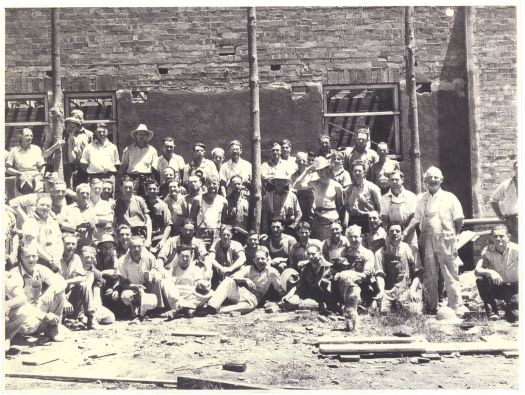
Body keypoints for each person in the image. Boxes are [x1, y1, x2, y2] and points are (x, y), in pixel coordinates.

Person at [405, 166, 465, 316]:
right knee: (429, 274)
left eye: (436, 177)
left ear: (441, 179)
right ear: (425, 180)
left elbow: (459, 219)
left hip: (445, 239)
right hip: (427, 239)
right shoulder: (421, 198)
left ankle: (456, 305)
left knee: (450, 272)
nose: (432, 180)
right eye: (429, 177)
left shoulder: (450, 197)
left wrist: (454, 236)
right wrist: (405, 232)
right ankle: (431, 307)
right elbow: (416, 219)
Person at [5, 244, 66, 342]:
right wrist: (43, 315)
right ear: (21, 257)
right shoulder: (14, 274)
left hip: (39, 305)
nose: (31, 259)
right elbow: (22, 303)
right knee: (29, 326)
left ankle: (52, 328)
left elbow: (61, 281)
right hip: (24, 311)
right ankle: (46, 325)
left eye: (34, 256)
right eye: (27, 256)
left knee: (59, 292)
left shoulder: (40, 269)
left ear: (37, 256)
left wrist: (51, 290)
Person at [205, 247, 285, 314]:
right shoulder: (248, 269)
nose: (260, 261)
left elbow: (279, 289)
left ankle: (219, 310)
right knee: (228, 281)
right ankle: (212, 306)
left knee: (247, 307)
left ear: (267, 260)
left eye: (262, 259)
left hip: (253, 299)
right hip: (241, 292)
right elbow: (233, 277)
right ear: (254, 260)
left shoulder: (272, 273)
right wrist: (245, 280)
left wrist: (284, 300)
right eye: (258, 259)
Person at [374, 223, 422, 314]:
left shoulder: (410, 249)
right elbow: (379, 274)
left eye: (397, 231)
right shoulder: (380, 252)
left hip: (407, 289)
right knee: (383, 312)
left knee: (413, 312)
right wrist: (381, 291)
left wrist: (412, 290)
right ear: (387, 234)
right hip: (389, 291)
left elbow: (418, 272)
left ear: (401, 233)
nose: (394, 233)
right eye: (391, 231)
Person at [293, 156, 345, 240]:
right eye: (318, 171)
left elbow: (341, 205)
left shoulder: (336, 186)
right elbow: (296, 186)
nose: (321, 173)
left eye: (323, 170)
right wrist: (307, 171)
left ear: (328, 169)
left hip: (332, 221)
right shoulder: (314, 184)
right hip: (318, 220)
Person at [474, 225, 518, 322]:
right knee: (481, 280)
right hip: (498, 286)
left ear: (508, 237)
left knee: (515, 317)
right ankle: (493, 312)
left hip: (515, 288)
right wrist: (491, 272)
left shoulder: (518, 250)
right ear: (492, 238)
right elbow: (477, 270)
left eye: (501, 236)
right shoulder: (488, 251)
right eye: (495, 236)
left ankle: (510, 307)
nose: (498, 239)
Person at [114, 236, 165, 318]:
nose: (137, 249)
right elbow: (123, 283)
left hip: (148, 289)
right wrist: (135, 287)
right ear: (129, 247)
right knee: (126, 296)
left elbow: (159, 273)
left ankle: (157, 309)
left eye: (139, 246)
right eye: (134, 247)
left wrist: (151, 276)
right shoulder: (122, 261)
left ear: (143, 247)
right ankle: (134, 312)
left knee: (157, 277)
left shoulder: (150, 257)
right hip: (132, 289)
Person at [160, 246, 214, 318]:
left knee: (209, 293)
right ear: (178, 256)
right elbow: (168, 283)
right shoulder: (173, 269)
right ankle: (187, 308)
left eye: (187, 256)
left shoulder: (196, 269)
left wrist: (201, 284)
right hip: (177, 295)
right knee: (165, 283)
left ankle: (181, 309)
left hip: (191, 294)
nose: (185, 259)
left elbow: (200, 284)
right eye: (182, 256)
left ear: (191, 257)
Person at [6, 128, 62, 195]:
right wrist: (20, 173)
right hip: (21, 180)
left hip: (36, 180)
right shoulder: (14, 150)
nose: (29, 138)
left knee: (38, 199)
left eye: (31, 135)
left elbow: (42, 165)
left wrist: (42, 172)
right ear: (21, 137)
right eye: (27, 135)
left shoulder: (36, 149)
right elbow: (7, 169)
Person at [282, 244, 336, 312]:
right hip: (310, 295)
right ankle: (309, 306)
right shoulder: (306, 268)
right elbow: (299, 285)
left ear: (320, 254)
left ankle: (314, 307)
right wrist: (288, 295)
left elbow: (331, 289)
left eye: (313, 254)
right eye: (308, 254)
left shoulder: (329, 268)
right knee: (287, 302)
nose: (310, 256)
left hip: (325, 297)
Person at [22, 193, 64, 273]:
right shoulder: (30, 222)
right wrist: (50, 259)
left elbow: (60, 241)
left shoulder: (53, 222)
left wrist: (57, 258)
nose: (45, 207)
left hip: (55, 263)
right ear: (36, 205)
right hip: (38, 262)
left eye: (48, 206)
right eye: (42, 205)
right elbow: (33, 244)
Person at [80, 123, 120, 193]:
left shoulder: (113, 147)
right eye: (99, 132)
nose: (102, 134)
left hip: (109, 177)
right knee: (95, 197)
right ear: (95, 132)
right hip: (94, 177)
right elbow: (83, 163)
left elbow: (117, 164)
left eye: (104, 131)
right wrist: (92, 171)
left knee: (109, 199)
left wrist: (111, 174)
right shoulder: (89, 147)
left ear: (107, 132)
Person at [190, 175, 228, 248]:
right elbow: (192, 219)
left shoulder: (223, 201)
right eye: (209, 183)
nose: (211, 186)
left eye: (214, 183)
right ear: (205, 185)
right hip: (201, 233)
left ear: (218, 185)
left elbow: (224, 221)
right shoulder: (198, 199)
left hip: (217, 233)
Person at [344, 160, 381, 233]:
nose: (357, 173)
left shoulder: (372, 188)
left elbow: (380, 208)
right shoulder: (349, 189)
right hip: (353, 222)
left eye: (359, 171)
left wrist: (365, 207)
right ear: (352, 173)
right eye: (355, 171)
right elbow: (346, 206)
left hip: (369, 221)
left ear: (365, 172)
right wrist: (351, 210)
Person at [121, 124, 158, 197]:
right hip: (132, 178)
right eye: (140, 134)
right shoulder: (128, 150)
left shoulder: (152, 150)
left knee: (146, 200)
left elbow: (154, 168)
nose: (142, 136)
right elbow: (124, 166)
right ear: (136, 136)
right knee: (132, 199)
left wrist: (151, 180)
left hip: (147, 178)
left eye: (144, 134)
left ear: (147, 136)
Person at [261, 169, 302, 236]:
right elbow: (264, 215)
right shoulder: (267, 197)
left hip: (289, 227)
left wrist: (295, 226)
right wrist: (265, 230)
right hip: (273, 227)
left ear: (285, 182)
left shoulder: (292, 196)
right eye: (277, 181)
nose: (279, 183)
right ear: (274, 182)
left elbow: (298, 213)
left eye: (282, 181)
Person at [113, 176, 152, 245]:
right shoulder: (117, 203)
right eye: (126, 187)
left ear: (133, 187)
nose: (128, 190)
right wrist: (117, 237)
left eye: (130, 187)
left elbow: (148, 220)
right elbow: (113, 224)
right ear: (121, 188)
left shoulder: (140, 200)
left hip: (139, 235)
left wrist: (148, 239)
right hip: (124, 237)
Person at [63, 183, 98, 249]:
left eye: (87, 193)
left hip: (87, 246)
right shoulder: (68, 209)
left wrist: (93, 227)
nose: (85, 195)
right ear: (77, 194)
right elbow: (62, 225)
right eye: (82, 193)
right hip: (72, 247)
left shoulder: (92, 211)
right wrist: (77, 226)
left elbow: (95, 232)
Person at [490, 161, 518, 242]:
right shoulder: (506, 184)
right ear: (514, 170)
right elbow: (493, 200)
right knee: (514, 246)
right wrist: (500, 216)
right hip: (512, 221)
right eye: (517, 168)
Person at [144, 180, 172, 254]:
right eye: (149, 189)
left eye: (154, 189)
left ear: (158, 189)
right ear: (146, 190)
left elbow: (168, 225)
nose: (152, 191)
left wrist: (163, 240)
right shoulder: (142, 204)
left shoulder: (163, 205)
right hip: (144, 238)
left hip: (159, 238)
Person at [225, 175, 250, 243]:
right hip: (230, 234)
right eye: (234, 184)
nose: (236, 186)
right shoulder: (226, 200)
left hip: (244, 233)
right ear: (231, 185)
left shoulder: (248, 199)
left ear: (242, 184)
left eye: (239, 184)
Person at [291, 152, 314, 223]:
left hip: (311, 201)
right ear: (296, 162)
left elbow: (313, 187)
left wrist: (300, 187)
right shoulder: (293, 175)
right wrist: (306, 187)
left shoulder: (312, 174)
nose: (301, 162)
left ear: (307, 162)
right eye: (299, 160)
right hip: (299, 201)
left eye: (304, 161)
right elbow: (294, 187)